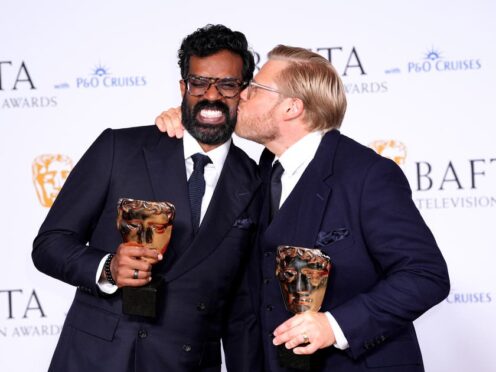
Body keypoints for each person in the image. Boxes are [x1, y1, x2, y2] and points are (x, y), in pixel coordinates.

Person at [156, 45, 450, 371]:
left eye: (254, 89)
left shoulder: (367, 175)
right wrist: (189, 125)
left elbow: (426, 275)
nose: (240, 95)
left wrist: (335, 326)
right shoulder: (263, 170)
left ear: (292, 108)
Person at [32, 24, 263, 372]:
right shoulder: (119, 149)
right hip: (99, 359)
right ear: (183, 87)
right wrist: (107, 267)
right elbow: (50, 244)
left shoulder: (255, 180)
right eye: (199, 82)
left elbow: (242, 309)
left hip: (186, 362)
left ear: (243, 92)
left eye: (227, 84)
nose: (212, 95)